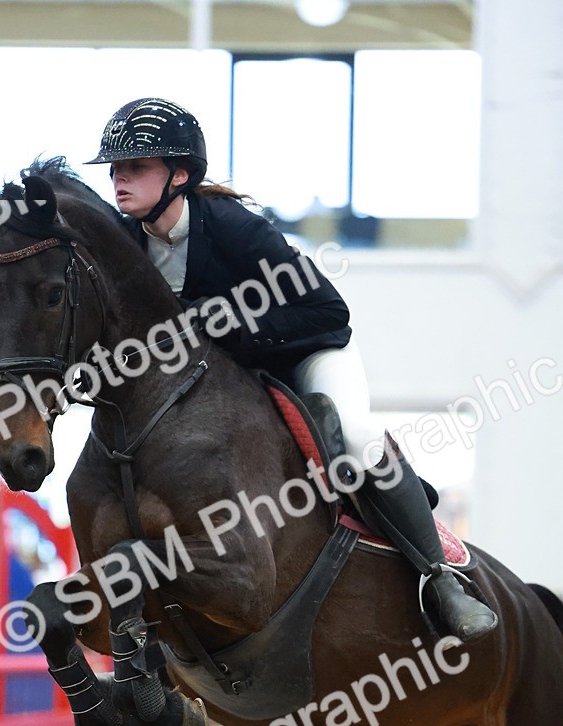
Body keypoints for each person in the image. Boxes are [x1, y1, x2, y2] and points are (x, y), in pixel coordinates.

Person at [85, 97, 496, 643]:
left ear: (179, 175)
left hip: (307, 353)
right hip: (227, 383)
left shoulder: (232, 227)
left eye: (135, 167)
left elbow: (328, 311)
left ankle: (439, 580)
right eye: (115, 169)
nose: (120, 180)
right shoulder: (129, 244)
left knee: (354, 435)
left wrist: (223, 325)